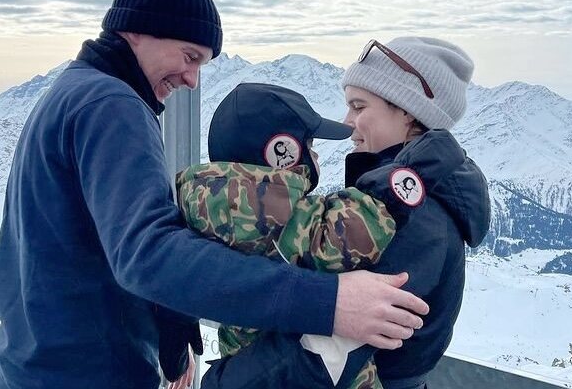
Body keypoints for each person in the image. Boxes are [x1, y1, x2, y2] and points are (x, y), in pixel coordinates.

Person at [0, 0, 430, 389]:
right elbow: (148, 252)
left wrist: (168, 322)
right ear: (139, 30)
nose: (192, 78)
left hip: (36, 364)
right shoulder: (111, 104)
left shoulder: (74, 91)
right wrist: (328, 303)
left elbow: (103, 240)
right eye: (189, 56)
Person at [199, 37, 491, 389]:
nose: (348, 122)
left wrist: (223, 381)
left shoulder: (413, 217)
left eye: (359, 106)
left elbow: (325, 353)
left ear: (408, 112)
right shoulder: (386, 203)